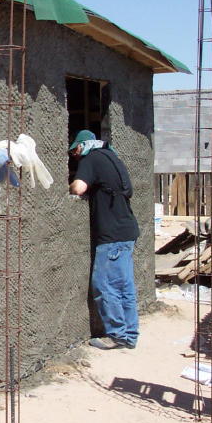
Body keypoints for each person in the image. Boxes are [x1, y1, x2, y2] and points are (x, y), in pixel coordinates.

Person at [68, 130, 140, 350]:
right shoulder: (112, 157)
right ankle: (130, 335)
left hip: (111, 235)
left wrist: (70, 186)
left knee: (105, 285)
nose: (75, 157)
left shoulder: (91, 158)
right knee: (125, 287)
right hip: (127, 231)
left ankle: (117, 334)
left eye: (74, 153)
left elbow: (79, 187)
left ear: (81, 146)